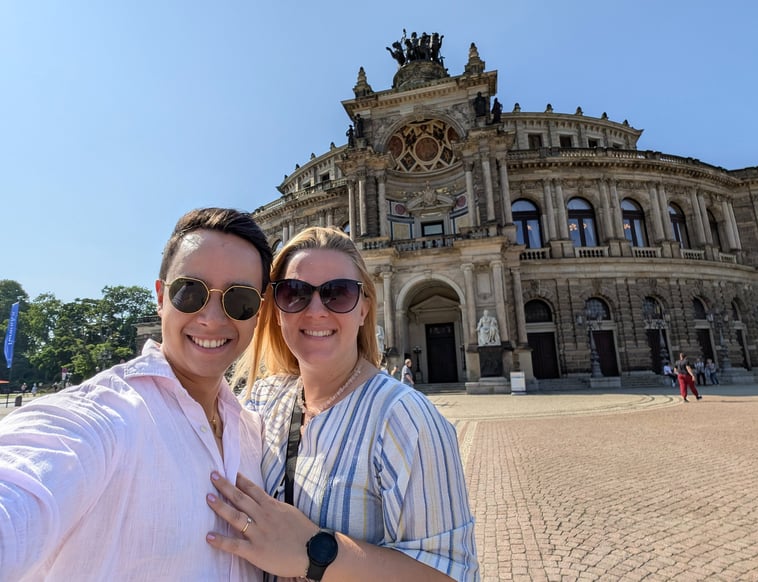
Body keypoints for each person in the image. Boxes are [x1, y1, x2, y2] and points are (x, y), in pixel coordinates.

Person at [0, 207, 273, 580]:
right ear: (161, 297)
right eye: (189, 291)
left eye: (239, 299)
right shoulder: (105, 416)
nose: (212, 318)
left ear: (258, 311)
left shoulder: (254, 431)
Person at [211, 226, 478, 581]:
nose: (316, 310)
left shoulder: (405, 420)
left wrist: (313, 551)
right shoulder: (262, 404)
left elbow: (452, 574)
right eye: (294, 294)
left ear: (365, 308)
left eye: (337, 294)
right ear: (276, 310)